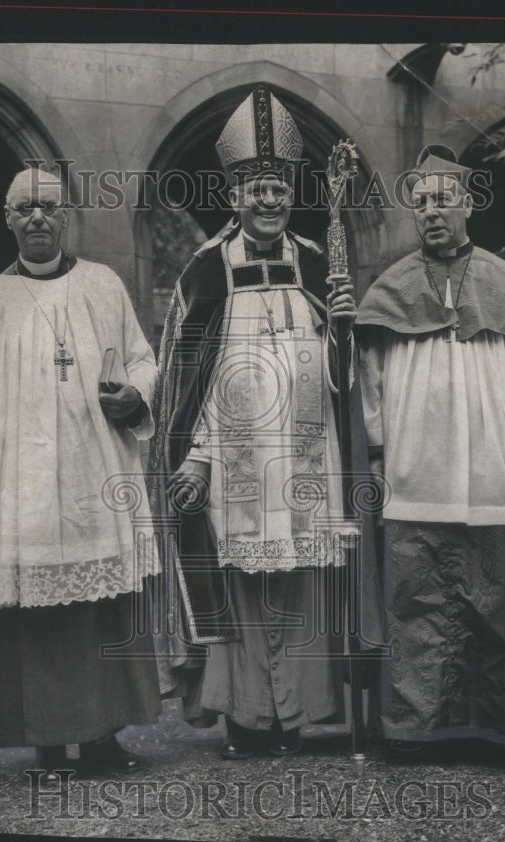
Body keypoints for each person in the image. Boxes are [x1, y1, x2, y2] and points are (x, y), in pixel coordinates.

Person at [150, 85, 381, 760]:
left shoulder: (318, 261)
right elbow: (187, 379)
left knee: (305, 583)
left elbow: (343, 378)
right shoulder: (206, 271)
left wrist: (342, 326)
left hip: (308, 453)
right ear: (234, 195)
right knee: (245, 584)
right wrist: (195, 456)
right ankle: (249, 717)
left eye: (279, 186)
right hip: (236, 458)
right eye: (256, 188)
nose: (270, 200)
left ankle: (303, 713)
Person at [0, 167, 161, 777]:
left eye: (48, 208)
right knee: (40, 609)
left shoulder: (103, 284)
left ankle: (102, 737)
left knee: (103, 604)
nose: (37, 219)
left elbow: (142, 357)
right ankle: (49, 742)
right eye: (24, 209)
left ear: (66, 215)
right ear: (8, 218)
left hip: (95, 467)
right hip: (25, 475)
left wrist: (135, 393)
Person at [355, 145, 505, 764]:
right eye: (422, 203)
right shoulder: (391, 286)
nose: (433, 212)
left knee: (497, 607)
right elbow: (372, 378)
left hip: (490, 464)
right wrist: (380, 450)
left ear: (467, 206)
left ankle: (504, 728)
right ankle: (418, 730)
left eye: (444, 200)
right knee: (419, 606)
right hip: (417, 465)